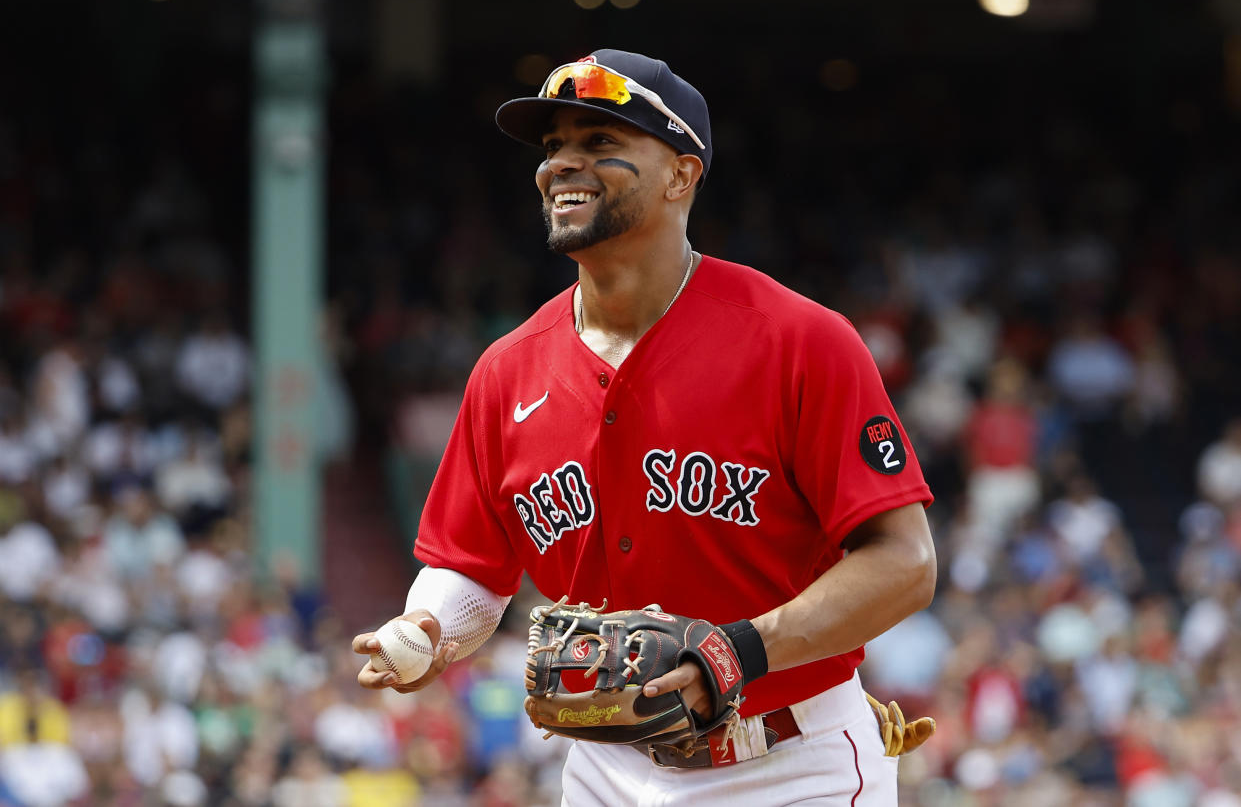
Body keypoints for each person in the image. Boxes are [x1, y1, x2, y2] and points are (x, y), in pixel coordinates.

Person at [353, 49, 937, 804]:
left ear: (680, 174)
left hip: (790, 764)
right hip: (606, 772)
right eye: (554, 145)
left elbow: (904, 564)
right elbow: (472, 565)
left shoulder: (797, 341)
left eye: (600, 144)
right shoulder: (507, 372)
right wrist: (431, 626)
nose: (563, 163)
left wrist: (736, 653)